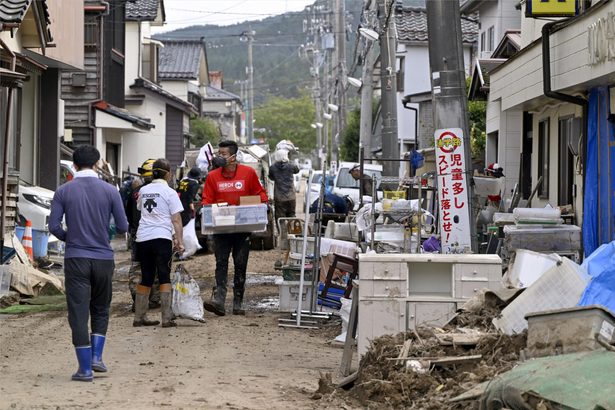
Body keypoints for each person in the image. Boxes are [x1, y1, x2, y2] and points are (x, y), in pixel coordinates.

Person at [49, 145, 128, 382]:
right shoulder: (110, 191)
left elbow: (54, 227)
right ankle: (97, 357)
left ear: (73, 165)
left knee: (78, 312)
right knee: (101, 308)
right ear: (98, 164)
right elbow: (123, 227)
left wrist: (70, 238)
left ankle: (84, 370)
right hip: (103, 258)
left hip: (76, 258)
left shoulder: (63, 191)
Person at [201, 140, 268, 316]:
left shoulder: (248, 173)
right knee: (221, 263)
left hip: (242, 228)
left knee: (240, 264)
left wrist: (261, 202)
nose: (219, 157)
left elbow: (260, 194)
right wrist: (207, 208)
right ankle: (220, 301)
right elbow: (206, 199)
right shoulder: (213, 176)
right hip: (221, 229)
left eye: (223, 154)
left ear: (233, 156)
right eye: (218, 154)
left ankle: (238, 303)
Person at [133, 158, 185, 328]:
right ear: (168, 174)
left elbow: (140, 208)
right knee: (164, 275)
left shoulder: (143, 190)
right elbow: (176, 219)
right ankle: (166, 318)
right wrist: (180, 241)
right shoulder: (169, 192)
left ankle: (139, 317)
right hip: (161, 238)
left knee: (146, 276)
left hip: (143, 238)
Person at [125, 159, 160, 310]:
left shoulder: (135, 192)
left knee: (138, 268)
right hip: (159, 234)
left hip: (139, 235)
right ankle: (154, 300)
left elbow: (129, 215)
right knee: (158, 268)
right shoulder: (165, 191)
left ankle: (138, 300)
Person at [268, 149, 300, 224]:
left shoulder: (272, 168)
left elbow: (271, 178)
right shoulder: (291, 166)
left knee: (280, 218)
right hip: (291, 197)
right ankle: (292, 233)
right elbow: (297, 170)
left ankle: (282, 234)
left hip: (279, 198)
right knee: (291, 215)